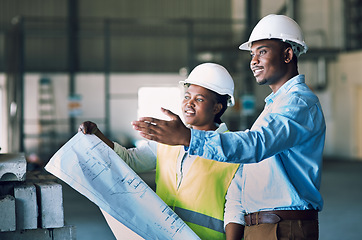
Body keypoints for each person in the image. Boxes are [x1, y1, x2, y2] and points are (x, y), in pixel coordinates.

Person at [132, 14, 326, 240]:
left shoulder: (298, 103)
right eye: (252, 54)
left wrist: (189, 138)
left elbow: (256, 144)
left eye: (262, 51)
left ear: (287, 54)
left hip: (282, 227)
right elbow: (244, 180)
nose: (253, 61)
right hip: (262, 226)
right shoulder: (274, 107)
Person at [79, 62, 241, 240]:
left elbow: (235, 210)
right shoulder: (168, 140)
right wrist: (97, 135)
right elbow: (129, 159)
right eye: (187, 97)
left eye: (199, 99)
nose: (189, 103)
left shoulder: (232, 148)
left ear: (217, 107)